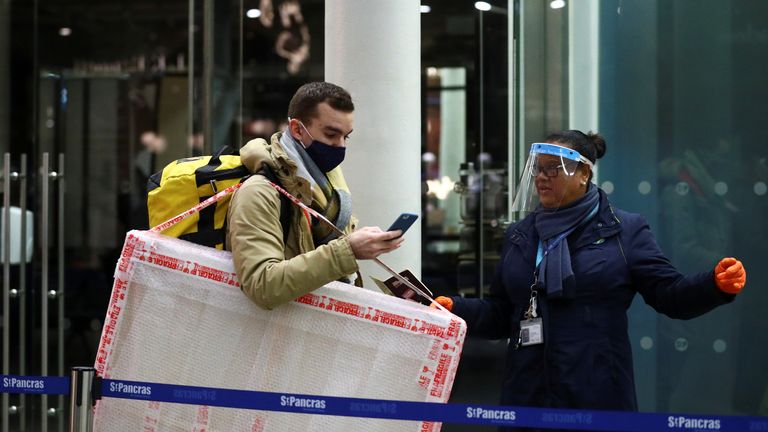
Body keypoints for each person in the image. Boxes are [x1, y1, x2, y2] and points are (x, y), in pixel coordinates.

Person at [433, 130, 747, 422]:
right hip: (527, 397)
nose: (542, 177)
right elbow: (502, 314)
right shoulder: (521, 235)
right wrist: (454, 308)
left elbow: (668, 294)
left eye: (553, 169)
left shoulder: (624, 230)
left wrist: (713, 285)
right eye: (538, 169)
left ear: (584, 173)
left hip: (596, 396)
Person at [226, 82, 403, 309]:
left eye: (346, 137)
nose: (339, 146)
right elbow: (262, 285)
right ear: (297, 129)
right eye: (331, 134)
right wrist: (348, 251)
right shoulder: (260, 192)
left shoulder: (326, 186)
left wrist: (361, 243)